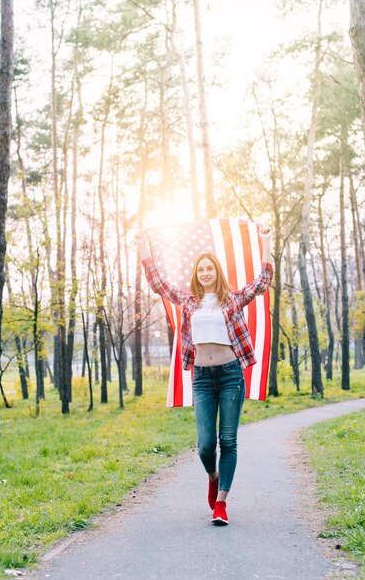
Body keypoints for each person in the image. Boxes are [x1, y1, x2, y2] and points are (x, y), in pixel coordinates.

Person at [136, 225, 273, 526]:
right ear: (196, 274)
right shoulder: (187, 301)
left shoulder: (233, 300)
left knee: (228, 440)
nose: (206, 273)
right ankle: (213, 476)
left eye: (210, 268)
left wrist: (266, 241)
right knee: (206, 444)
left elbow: (263, 281)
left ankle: (221, 504)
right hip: (201, 377)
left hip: (230, 376)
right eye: (201, 269)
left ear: (217, 272)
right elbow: (158, 284)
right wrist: (144, 248)